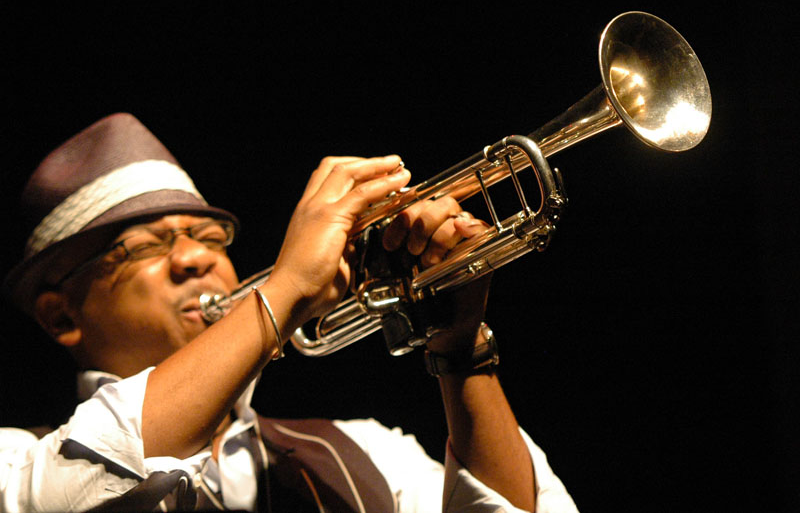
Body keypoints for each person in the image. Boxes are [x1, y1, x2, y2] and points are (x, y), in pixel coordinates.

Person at [0, 113, 577, 512]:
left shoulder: (370, 451)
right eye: (146, 246)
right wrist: (287, 288)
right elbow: (76, 491)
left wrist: (460, 349)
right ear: (60, 317)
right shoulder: (13, 460)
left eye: (208, 236)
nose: (195, 258)